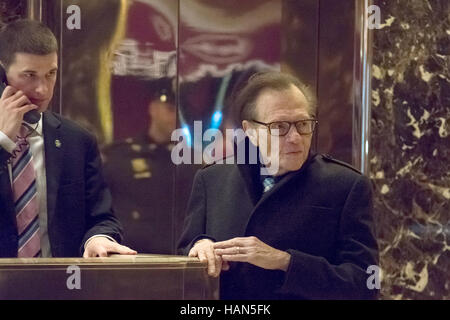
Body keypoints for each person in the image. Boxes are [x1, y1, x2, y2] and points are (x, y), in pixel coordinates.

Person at [177, 71, 379, 299]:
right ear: (251, 131)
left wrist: (286, 262)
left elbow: (365, 283)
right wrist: (200, 246)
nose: (295, 137)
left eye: (303, 124)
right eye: (280, 126)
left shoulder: (345, 186)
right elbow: (186, 250)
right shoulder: (212, 180)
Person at [0, 19, 136, 258]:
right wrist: (2, 142)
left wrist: (97, 238)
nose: (42, 89)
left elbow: (102, 217)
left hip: (58, 286)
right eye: (29, 75)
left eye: (50, 74)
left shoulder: (77, 140)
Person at [102, 80, 199, 253]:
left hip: (177, 254)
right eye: (170, 109)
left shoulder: (193, 161)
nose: (175, 116)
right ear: (153, 108)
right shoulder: (120, 156)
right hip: (130, 255)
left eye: (180, 111)